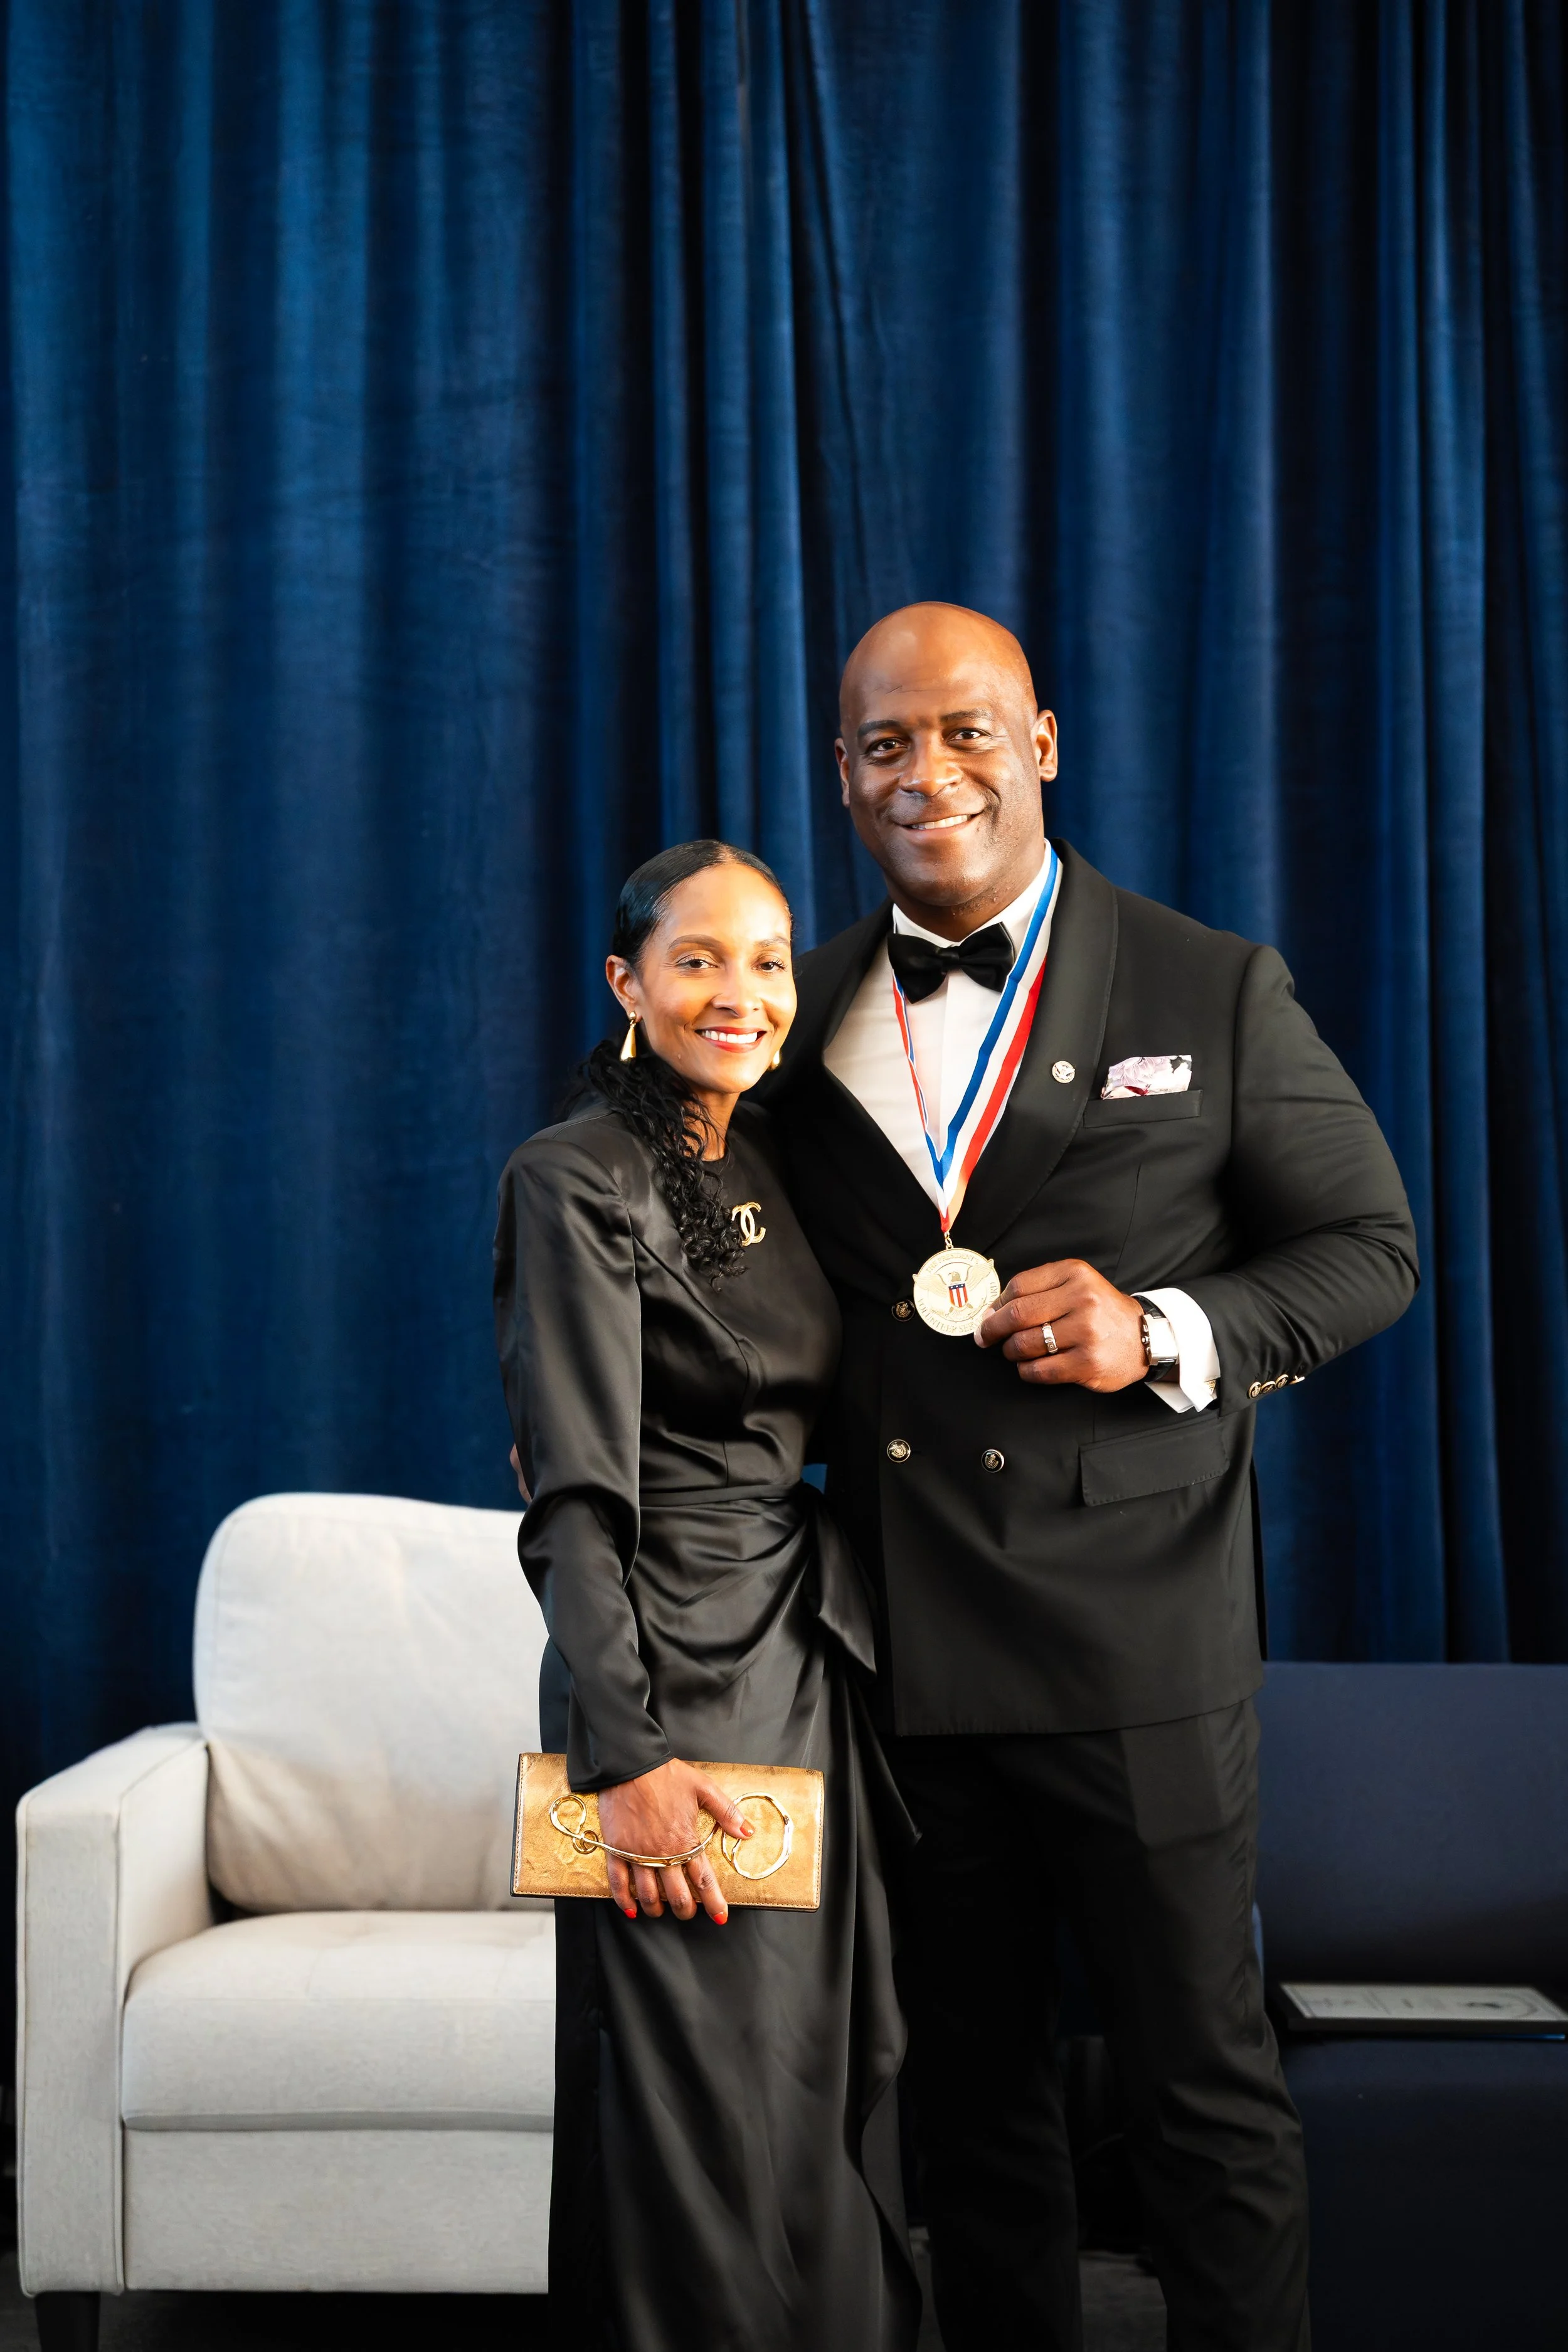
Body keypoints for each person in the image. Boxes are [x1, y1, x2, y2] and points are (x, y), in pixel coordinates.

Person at [763, 602, 1419, 2352]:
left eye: (967, 732)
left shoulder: (1208, 981)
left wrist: (1165, 1325)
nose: (928, 774)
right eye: (885, 743)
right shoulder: (791, 1012)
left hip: (1140, 1648)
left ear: (1041, 743)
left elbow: (1370, 1248)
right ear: (841, 772)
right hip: (905, 1644)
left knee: (1197, 2097)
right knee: (971, 2110)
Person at [492, 840, 920, 2352]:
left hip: (796, 1665)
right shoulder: (571, 1177)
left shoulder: (770, 1156)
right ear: (625, 984)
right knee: (695, 2132)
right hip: (666, 1685)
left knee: (806, 2110)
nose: (737, 992)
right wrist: (630, 1763)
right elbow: (572, 1500)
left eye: (765, 959)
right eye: (694, 960)